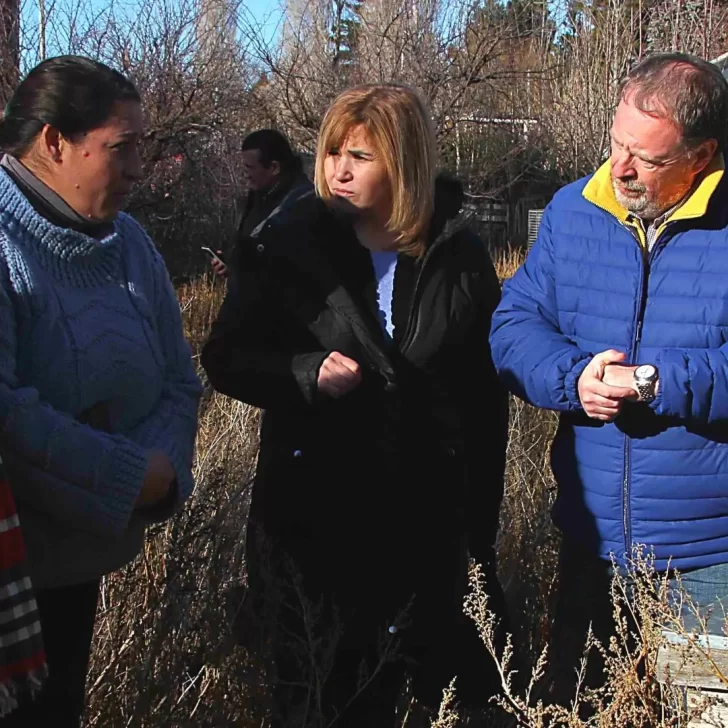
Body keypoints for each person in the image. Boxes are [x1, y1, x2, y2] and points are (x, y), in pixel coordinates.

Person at [202, 83, 508, 726]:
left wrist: (479, 526)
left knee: (420, 696)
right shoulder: (287, 245)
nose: (339, 169)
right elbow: (226, 357)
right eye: (333, 150)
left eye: (361, 155)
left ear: (405, 162)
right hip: (316, 513)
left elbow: (484, 400)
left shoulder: (459, 252)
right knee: (317, 694)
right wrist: (306, 372)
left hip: (425, 516)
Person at [489, 52, 728, 702]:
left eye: (646, 159)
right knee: (585, 712)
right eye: (616, 143)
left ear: (702, 155)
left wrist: (657, 382)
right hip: (590, 540)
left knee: (704, 716)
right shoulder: (575, 211)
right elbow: (514, 325)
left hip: (710, 557)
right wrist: (572, 378)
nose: (619, 168)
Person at [0, 56, 202, 725]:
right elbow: (5, 414)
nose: (140, 168)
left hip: (78, 566)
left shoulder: (132, 246)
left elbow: (179, 378)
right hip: (10, 579)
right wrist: (123, 473)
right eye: (123, 148)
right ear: (55, 141)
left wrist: (162, 470)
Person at [208, 128, 312, 278]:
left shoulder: (303, 206)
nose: (246, 174)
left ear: (274, 167)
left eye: (250, 168)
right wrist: (232, 267)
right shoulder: (258, 197)